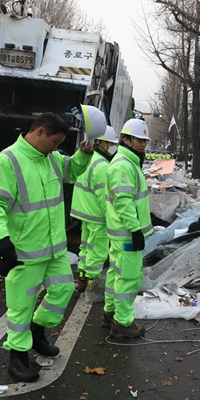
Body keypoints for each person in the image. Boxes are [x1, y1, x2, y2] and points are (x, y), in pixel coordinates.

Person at [0, 112, 100, 383]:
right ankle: (18, 354)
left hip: (54, 249)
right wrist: (1, 239)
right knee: (21, 306)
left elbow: (72, 170)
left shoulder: (52, 159)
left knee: (63, 291)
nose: (57, 147)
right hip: (25, 251)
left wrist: (83, 154)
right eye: (55, 141)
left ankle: (37, 329)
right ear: (41, 132)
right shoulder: (6, 162)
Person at [105, 118, 154, 338]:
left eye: (145, 140)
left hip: (120, 232)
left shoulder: (126, 162)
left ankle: (111, 313)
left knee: (116, 273)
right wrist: (136, 229)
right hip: (127, 233)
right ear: (126, 139)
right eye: (139, 139)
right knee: (129, 278)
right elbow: (123, 201)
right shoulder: (124, 165)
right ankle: (122, 323)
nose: (143, 144)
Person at [70, 125, 118, 304]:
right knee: (97, 251)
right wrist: (112, 219)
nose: (115, 148)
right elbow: (104, 196)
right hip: (97, 215)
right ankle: (92, 284)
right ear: (103, 143)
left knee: (85, 248)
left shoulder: (90, 159)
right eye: (113, 144)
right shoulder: (103, 166)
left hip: (84, 212)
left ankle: (82, 278)